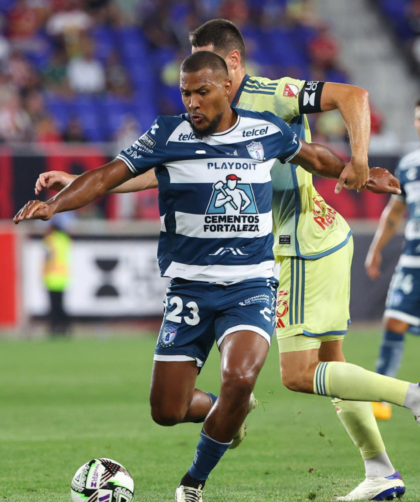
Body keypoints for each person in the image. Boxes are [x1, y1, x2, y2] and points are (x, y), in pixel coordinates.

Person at [33, 19, 407, 501]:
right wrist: (67, 192)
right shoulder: (173, 132)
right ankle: (374, 467)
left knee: (271, 373)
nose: (191, 100)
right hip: (202, 282)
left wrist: (361, 166)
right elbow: (132, 173)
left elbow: (326, 135)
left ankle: (195, 482)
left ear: (229, 75)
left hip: (274, 261)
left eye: (202, 87)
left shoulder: (270, 111)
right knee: (175, 407)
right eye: (185, 90)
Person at [366, 99, 420, 421]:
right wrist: (376, 248)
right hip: (413, 256)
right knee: (394, 321)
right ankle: (381, 395)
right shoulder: (409, 163)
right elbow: (395, 211)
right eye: (417, 118)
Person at [43, 223, 72, 336]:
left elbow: (49, 256)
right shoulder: (64, 239)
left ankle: (54, 327)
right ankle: (65, 326)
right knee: (60, 304)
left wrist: (43, 270)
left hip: (51, 276)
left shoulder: (50, 240)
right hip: (63, 276)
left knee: (53, 305)